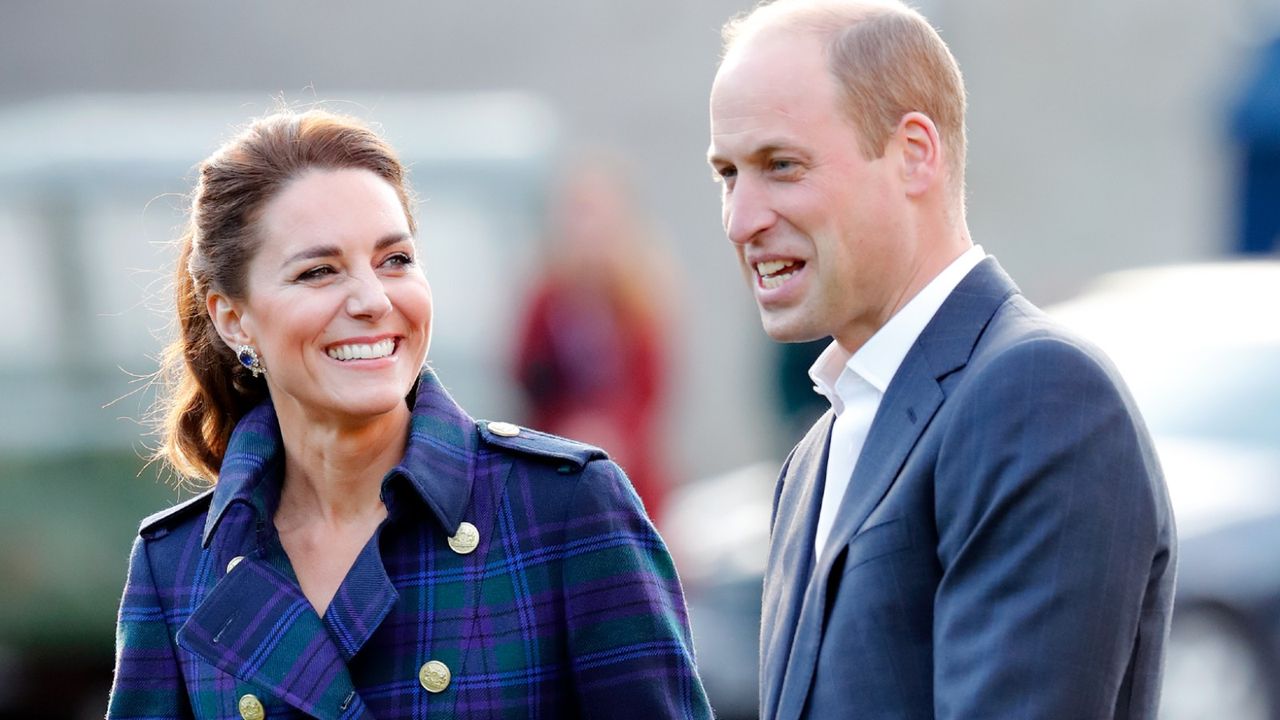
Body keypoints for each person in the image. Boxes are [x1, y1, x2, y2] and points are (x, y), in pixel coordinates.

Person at [107, 109, 712, 719]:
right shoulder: (177, 568)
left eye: (395, 260)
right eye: (318, 271)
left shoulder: (565, 509)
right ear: (233, 318)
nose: (373, 300)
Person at [705, 2, 1176, 718]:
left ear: (915, 154)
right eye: (729, 175)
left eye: (781, 166)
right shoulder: (815, 456)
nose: (742, 220)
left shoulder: (1039, 397)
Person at [514, 157, 673, 520]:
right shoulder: (546, 297)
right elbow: (526, 378)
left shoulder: (642, 299)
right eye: (578, 214)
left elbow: (650, 391)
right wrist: (568, 428)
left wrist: (611, 430)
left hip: (627, 469)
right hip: (556, 461)